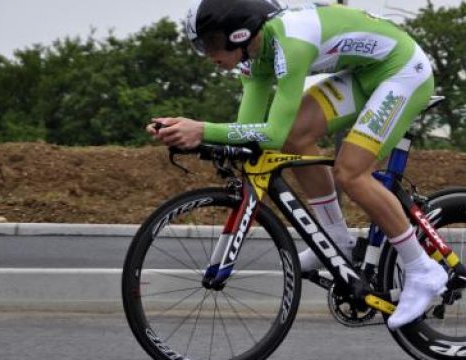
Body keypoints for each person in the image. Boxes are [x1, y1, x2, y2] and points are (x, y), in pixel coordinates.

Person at [148, 0, 447, 330]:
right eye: (201, 46)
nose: (209, 55)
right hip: (365, 74)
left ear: (240, 34)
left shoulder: (289, 44)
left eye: (212, 43)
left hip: (401, 71)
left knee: (350, 171)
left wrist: (201, 129)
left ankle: (421, 268)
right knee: (295, 136)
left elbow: (269, 134)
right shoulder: (254, 58)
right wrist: (185, 133)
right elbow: (249, 136)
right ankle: (335, 240)